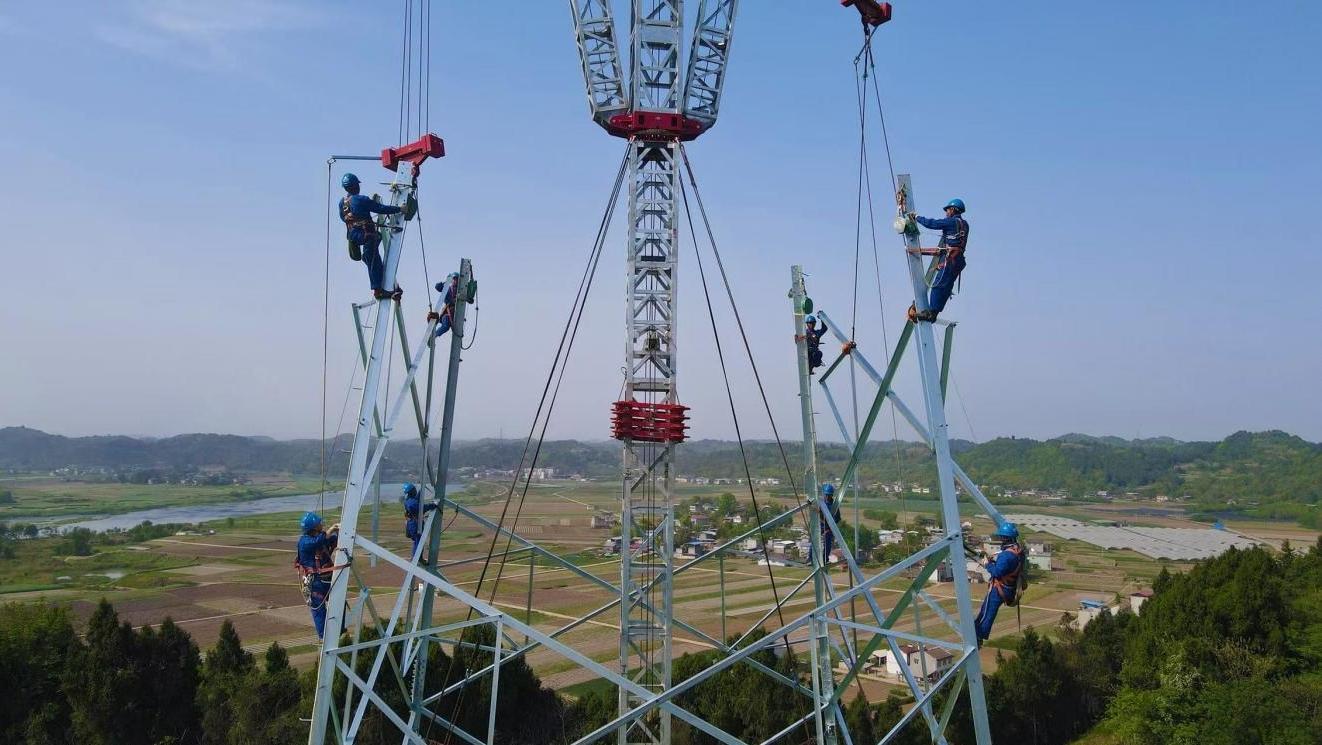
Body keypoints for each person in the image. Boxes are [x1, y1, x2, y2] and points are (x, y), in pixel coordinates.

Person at [340, 173, 404, 301]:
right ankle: (378, 290)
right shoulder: (361, 199)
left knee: (373, 253)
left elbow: (343, 218)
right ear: (356, 186)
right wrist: (399, 209)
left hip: (354, 235)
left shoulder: (343, 203)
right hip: (367, 235)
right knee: (373, 259)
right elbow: (380, 208)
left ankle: (368, 259)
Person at [905, 198, 969, 323]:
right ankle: (934, 312)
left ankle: (931, 313)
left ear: (953, 210)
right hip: (958, 260)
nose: (946, 213)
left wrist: (916, 217)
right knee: (946, 287)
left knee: (938, 284)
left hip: (951, 259)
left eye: (948, 210)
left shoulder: (951, 222)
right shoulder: (965, 224)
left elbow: (932, 224)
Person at [974, 522, 1024, 644]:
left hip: (999, 588)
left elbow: (997, 572)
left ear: (1004, 538)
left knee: (987, 611)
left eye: (1001, 537)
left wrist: (988, 564)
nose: (1000, 539)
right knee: (987, 611)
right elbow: (1007, 568)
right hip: (1010, 588)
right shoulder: (1019, 552)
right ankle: (977, 630)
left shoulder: (1006, 555)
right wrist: (993, 563)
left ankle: (978, 635)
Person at [294, 512, 340, 639]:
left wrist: (340, 533)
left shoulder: (318, 538)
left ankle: (340, 632)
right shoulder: (304, 542)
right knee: (319, 611)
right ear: (314, 527)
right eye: (319, 523)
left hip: (326, 580)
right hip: (316, 583)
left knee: (339, 604)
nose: (322, 524)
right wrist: (331, 530)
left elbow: (331, 540)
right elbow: (317, 542)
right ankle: (324, 637)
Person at [401, 483, 437, 558]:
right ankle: (417, 559)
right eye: (414, 489)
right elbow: (421, 508)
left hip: (413, 523)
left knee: (417, 541)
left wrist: (422, 490)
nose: (415, 490)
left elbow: (417, 499)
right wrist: (432, 505)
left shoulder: (409, 500)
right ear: (412, 491)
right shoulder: (412, 503)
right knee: (419, 542)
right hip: (415, 524)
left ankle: (417, 558)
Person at [429, 273, 460, 338]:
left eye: (457, 279)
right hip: (447, 313)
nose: (455, 281)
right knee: (445, 326)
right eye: (454, 279)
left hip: (456, 315)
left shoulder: (461, 290)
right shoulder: (448, 289)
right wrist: (446, 282)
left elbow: (469, 299)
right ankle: (433, 337)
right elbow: (438, 287)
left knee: (458, 331)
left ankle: (433, 336)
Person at [818, 483, 842, 566]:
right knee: (815, 540)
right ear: (824, 495)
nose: (827, 497)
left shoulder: (834, 505)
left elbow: (838, 518)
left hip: (829, 527)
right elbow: (819, 515)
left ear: (831, 495)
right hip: (821, 525)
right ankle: (811, 558)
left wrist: (830, 526)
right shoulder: (822, 503)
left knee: (827, 542)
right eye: (826, 495)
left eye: (829, 495)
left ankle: (825, 559)